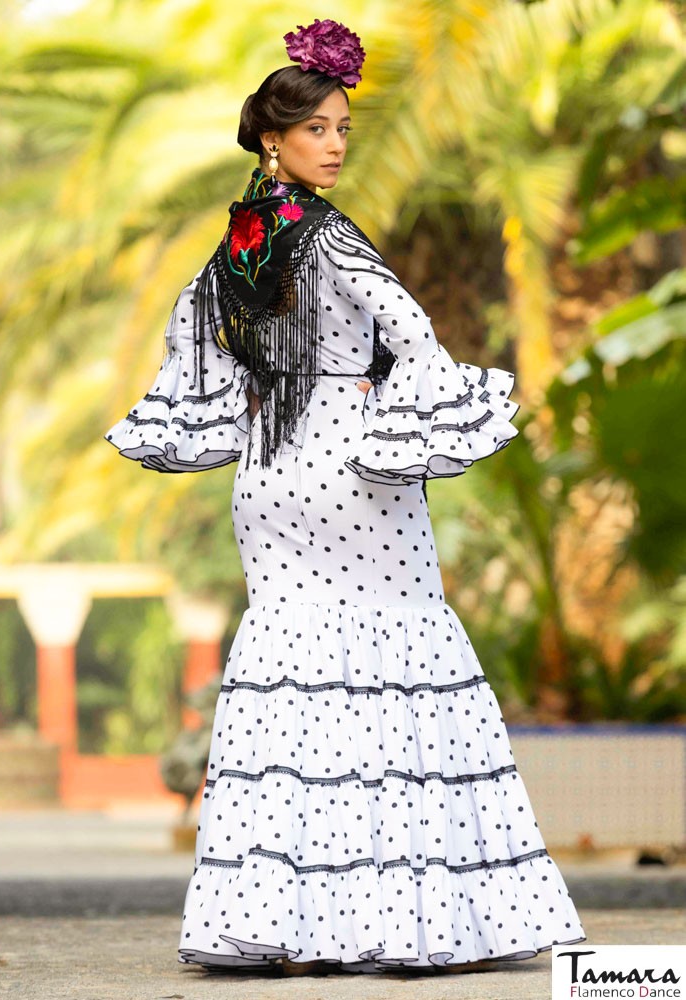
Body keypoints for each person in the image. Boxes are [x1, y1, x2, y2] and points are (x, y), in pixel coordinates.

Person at [104, 17, 586, 978]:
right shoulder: (326, 233)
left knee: (290, 673)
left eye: (342, 131)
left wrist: (260, 394)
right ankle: (395, 918)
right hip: (349, 467)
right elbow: (413, 333)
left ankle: (278, 920)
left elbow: (190, 347)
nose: (333, 146)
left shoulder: (238, 241)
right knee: (395, 662)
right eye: (316, 130)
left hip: (267, 474)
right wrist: (386, 409)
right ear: (272, 138)